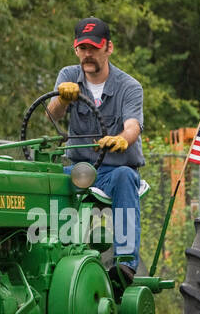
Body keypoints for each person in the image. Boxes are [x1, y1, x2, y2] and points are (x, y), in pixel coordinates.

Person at [46, 17, 145, 280]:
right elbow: (52, 115)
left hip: (113, 171)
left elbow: (133, 125)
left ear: (108, 48)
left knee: (125, 176)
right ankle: (49, 257)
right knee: (44, 181)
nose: (88, 55)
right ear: (75, 49)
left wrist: (123, 138)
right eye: (83, 48)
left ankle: (125, 263)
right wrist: (61, 99)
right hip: (78, 171)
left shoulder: (129, 86)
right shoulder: (68, 76)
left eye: (94, 48)